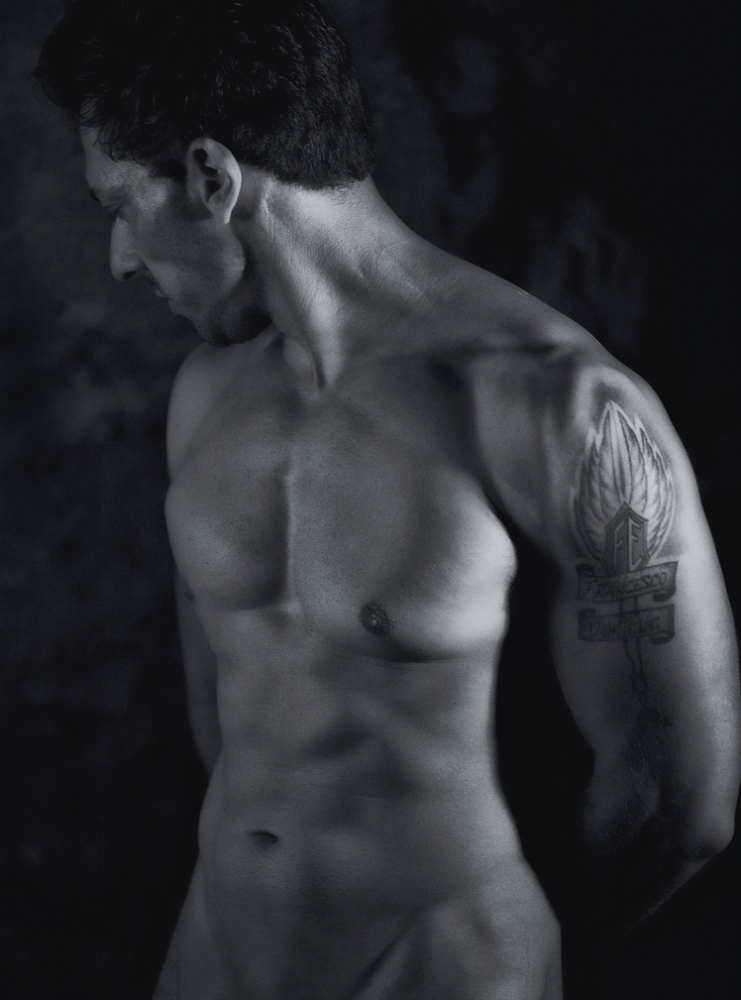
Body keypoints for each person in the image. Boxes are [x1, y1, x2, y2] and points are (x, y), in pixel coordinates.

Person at [34, 2, 740, 998]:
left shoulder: (559, 407)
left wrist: (513, 959)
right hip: (215, 957)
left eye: (120, 206)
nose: (120, 258)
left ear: (211, 177)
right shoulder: (207, 398)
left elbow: (680, 802)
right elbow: (227, 729)